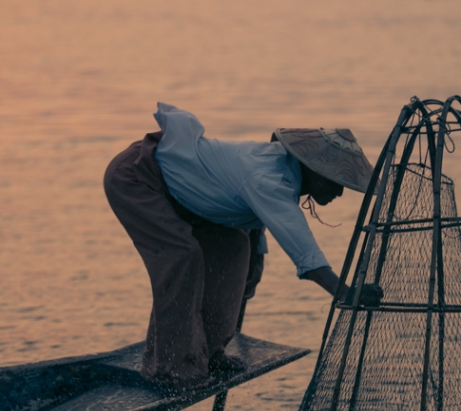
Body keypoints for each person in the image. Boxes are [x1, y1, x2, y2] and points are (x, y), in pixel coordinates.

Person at [104, 103, 374, 388]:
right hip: (138, 176)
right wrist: (346, 293)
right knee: (182, 256)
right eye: (334, 182)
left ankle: (208, 351)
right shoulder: (269, 179)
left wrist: (252, 270)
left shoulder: (278, 174)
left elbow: (252, 228)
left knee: (233, 246)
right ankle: (172, 367)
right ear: (313, 171)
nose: (339, 192)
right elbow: (306, 256)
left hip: (183, 194)